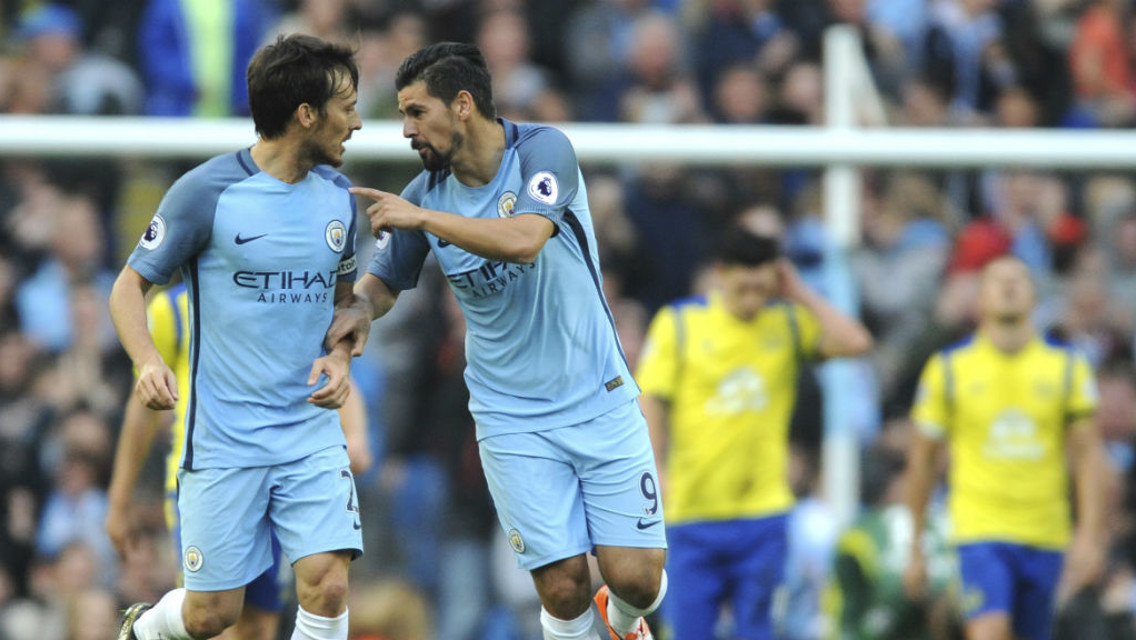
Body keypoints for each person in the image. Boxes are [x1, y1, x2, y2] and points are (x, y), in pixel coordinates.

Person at [325, 42, 667, 640]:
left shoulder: (541, 151)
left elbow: (525, 239)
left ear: (462, 105)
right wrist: (358, 310)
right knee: (561, 585)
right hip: (510, 414)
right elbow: (384, 283)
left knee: (637, 577)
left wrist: (424, 220)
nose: (406, 129)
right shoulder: (425, 192)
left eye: (416, 112)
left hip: (599, 393)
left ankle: (626, 621)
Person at [108, 33, 364, 640]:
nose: (356, 121)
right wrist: (146, 360)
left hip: (309, 433)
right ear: (306, 115)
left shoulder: (341, 202)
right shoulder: (206, 193)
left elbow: (345, 309)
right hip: (225, 440)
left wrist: (341, 357)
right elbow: (126, 288)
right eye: (347, 106)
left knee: (328, 587)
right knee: (212, 616)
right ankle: (144, 629)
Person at [634, 229, 872, 640]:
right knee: (688, 631)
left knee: (757, 630)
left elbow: (856, 341)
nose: (751, 295)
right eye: (742, 283)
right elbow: (650, 399)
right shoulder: (682, 324)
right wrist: (656, 465)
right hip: (693, 513)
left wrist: (798, 291)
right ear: (721, 273)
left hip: (763, 514)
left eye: (761, 284)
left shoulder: (787, 324)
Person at [105, 281, 374, 640]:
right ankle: (146, 627)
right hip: (206, 476)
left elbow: (329, 368)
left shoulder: (281, 293)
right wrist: (119, 502)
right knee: (211, 619)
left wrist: (355, 436)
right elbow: (142, 409)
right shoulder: (171, 309)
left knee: (259, 627)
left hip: (283, 473)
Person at [904, 255, 1107, 640]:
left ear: (1035, 297)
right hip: (979, 529)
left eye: (1019, 280)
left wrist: (1090, 535)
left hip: (1046, 531)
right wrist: (915, 546)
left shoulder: (1067, 367)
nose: (1009, 287)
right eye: (998, 281)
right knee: (989, 631)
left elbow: (1088, 456)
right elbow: (923, 461)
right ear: (979, 299)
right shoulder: (948, 369)